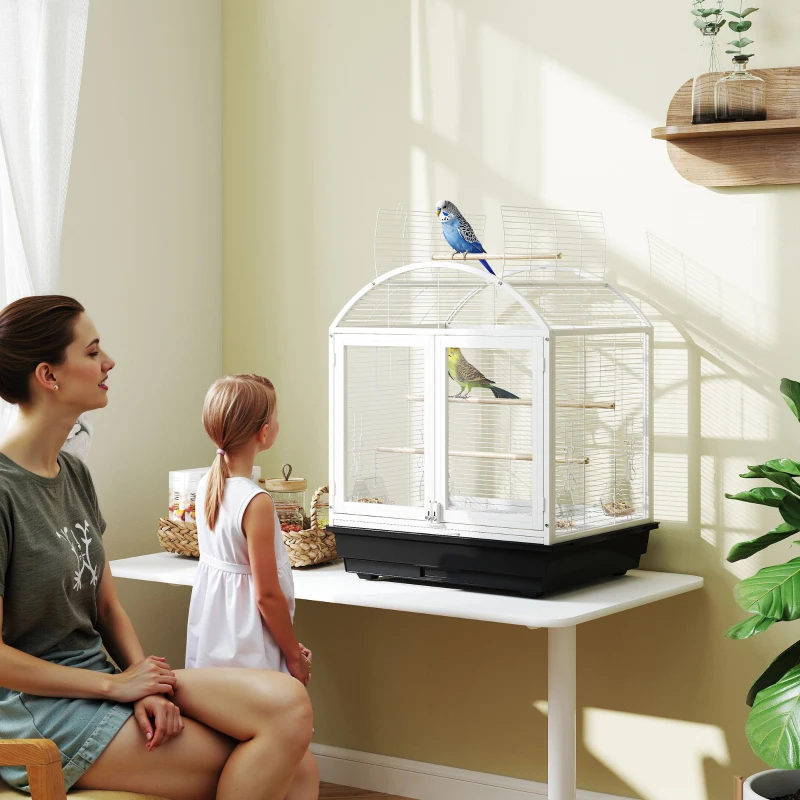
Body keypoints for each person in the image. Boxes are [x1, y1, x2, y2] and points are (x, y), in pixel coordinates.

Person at [0, 296, 314, 800]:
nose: (109, 363)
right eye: (93, 352)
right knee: (293, 770)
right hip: (43, 711)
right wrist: (115, 687)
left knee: (290, 708)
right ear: (49, 376)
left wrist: (141, 679)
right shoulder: (3, 491)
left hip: (103, 681)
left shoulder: (73, 474)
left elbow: (105, 607)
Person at [185, 374, 318, 797]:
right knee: (292, 752)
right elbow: (266, 595)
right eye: (275, 416)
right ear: (264, 432)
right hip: (249, 651)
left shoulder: (209, 485)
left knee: (293, 765)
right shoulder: (255, 501)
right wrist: (294, 655)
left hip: (212, 648)